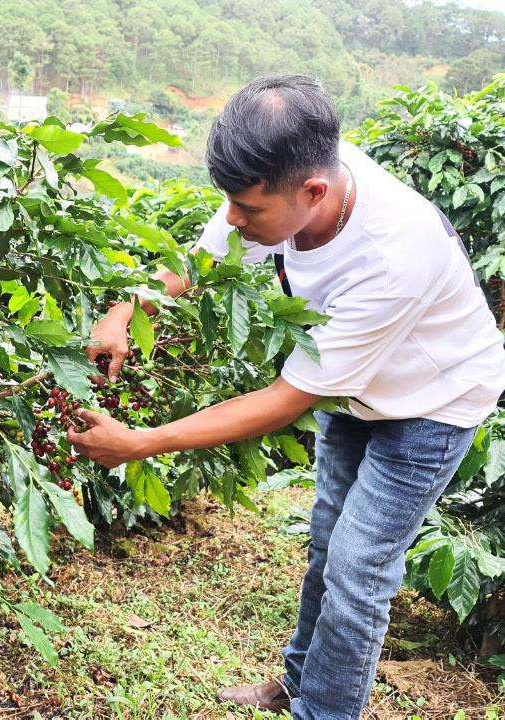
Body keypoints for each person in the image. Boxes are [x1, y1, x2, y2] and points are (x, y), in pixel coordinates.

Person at [68, 74, 505, 719]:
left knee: (357, 571)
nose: (234, 219)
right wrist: (125, 309)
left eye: (248, 209)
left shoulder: (393, 254)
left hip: (432, 405)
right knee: (327, 541)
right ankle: (299, 681)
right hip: (354, 392)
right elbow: (202, 262)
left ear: (314, 193)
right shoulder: (286, 177)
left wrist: (141, 444)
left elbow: (286, 399)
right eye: (231, 203)